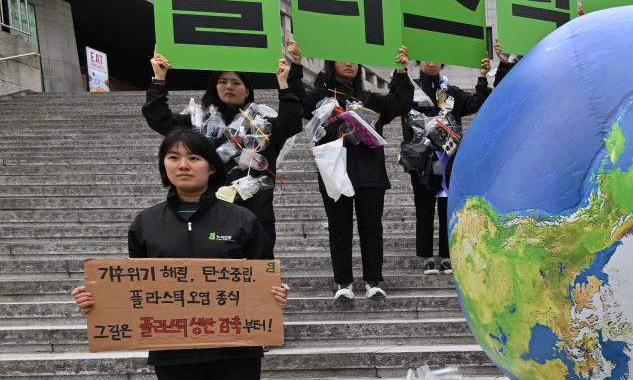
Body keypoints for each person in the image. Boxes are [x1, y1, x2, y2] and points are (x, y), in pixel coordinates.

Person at [70, 129, 290, 380]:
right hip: (173, 345)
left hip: (234, 344)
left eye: (193, 158)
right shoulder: (146, 224)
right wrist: (96, 301)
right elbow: (131, 287)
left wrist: (273, 294)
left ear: (210, 166)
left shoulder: (241, 219)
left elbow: (263, 276)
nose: (183, 165)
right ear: (163, 167)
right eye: (173, 158)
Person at [144, 41, 305, 258]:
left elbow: (292, 122)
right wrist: (159, 79)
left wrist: (285, 83)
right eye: (222, 81)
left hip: (255, 214)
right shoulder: (198, 123)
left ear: (247, 89)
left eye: (236, 82)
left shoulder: (263, 123)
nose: (229, 86)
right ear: (214, 87)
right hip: (208, 215)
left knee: (259, 279)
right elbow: (158, 118)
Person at [304, 49, 414, 300]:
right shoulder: (321, 99)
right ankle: (343, 283)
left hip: (369, 173)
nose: (350, 62)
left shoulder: (371, 100)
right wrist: (298, 67)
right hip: (335, 172)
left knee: (372, 228)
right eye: (344, 56)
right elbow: (301, 103)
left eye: (355, 58)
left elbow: (400, 103)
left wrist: (400, 71)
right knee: (339, 229)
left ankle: (373, 281)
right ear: (331, 61)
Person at [398, 57, 494, 275]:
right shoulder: (411, 90)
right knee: (423, 209)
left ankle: (446, 255)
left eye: (437, 60)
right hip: (422, 161)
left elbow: (476, 102)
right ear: (418, 62)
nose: (432, 63)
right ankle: (426, 256)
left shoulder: (451, 92)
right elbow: (401, 109)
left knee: (446, 209)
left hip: (449, 161)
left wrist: (481, 76)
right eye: (426, 59)